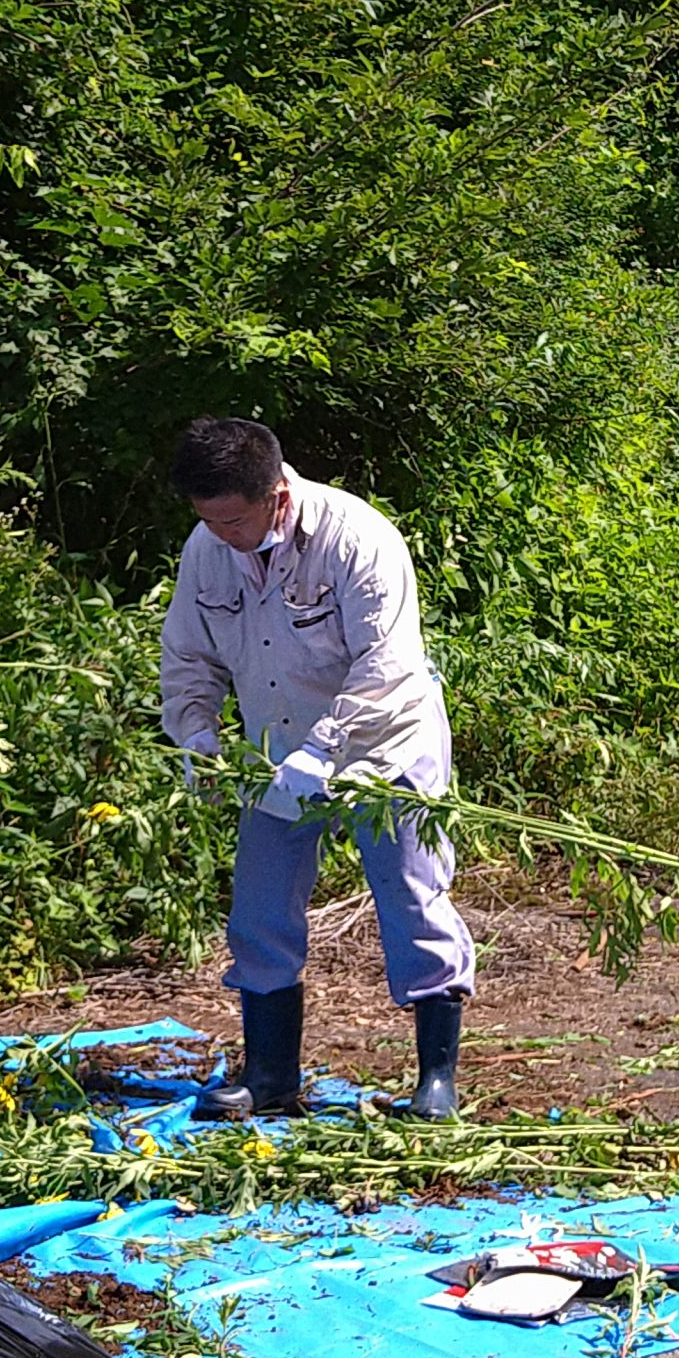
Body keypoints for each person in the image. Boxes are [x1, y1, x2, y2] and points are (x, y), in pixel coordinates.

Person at [160, 419, 476, 1121]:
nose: (221, 535)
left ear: (276, 496)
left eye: (233, 520)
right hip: (273, 759)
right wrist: (197, 737)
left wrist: (326, 748)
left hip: (382, 748)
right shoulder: (207, 550)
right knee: (260, 909)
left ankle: (435, 1082)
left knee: (413, 900)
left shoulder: (358, 540)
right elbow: (188, 656)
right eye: (206, 520)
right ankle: (271, 1076)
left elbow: (386, 665)